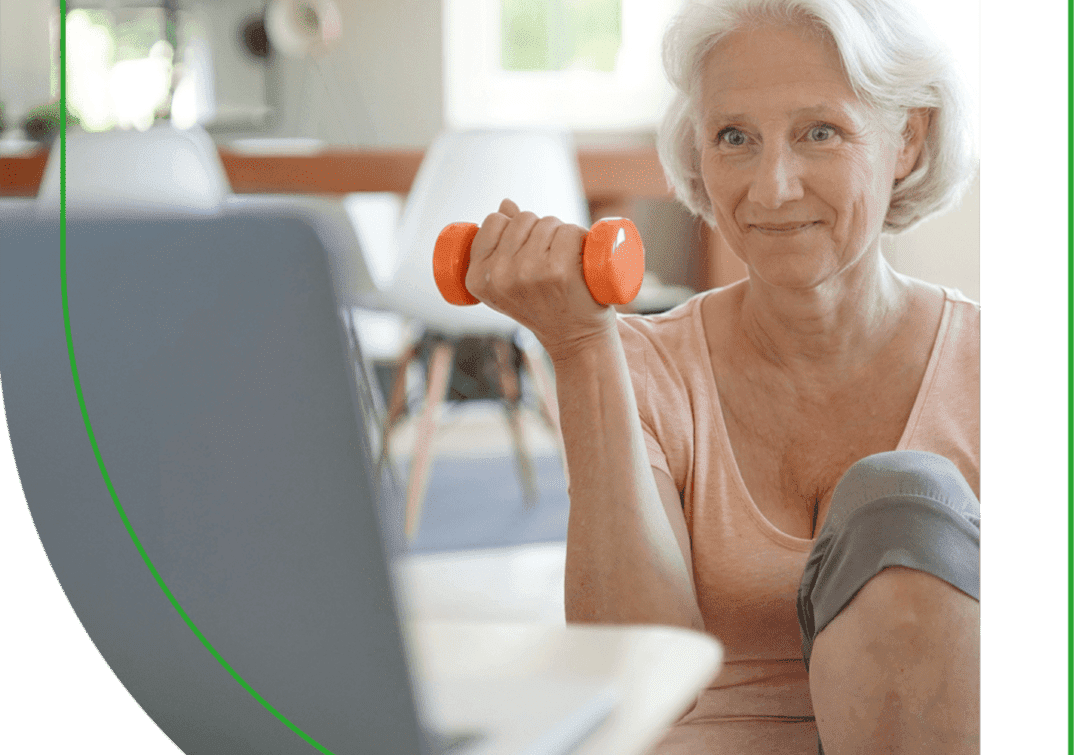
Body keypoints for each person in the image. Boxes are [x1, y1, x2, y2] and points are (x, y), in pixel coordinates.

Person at [462, 0, 980, 752]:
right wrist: (580, 349)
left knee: (902, 501)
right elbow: (637, 673)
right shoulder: (638, 363)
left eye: (819, 132)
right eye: (734, 137)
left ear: (906, 138)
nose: (771, 188)